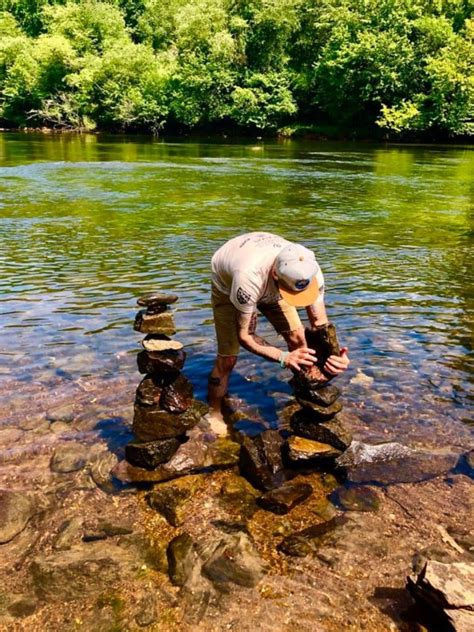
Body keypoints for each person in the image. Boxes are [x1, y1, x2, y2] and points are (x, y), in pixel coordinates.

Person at [207, 232, 349, 432]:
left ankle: (304, 394)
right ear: (275, 274)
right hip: (228, 283)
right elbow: (245, 336)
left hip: (272, 278)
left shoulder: (309, 271)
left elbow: (320, 323)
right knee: (228, 358)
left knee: (300, 340)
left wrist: (335, 358)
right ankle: (214, 412)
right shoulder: (247, 279)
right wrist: (283, 357)